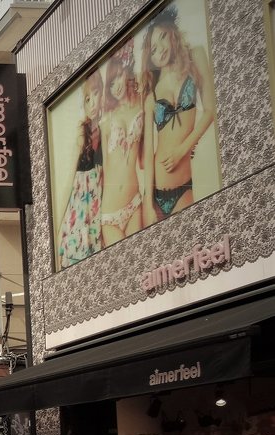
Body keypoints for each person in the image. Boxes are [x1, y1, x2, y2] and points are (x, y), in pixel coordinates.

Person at [141, 4, 216, 224]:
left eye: (162, 38)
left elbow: (210, 111)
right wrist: (147, 203)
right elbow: (147, 153)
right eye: (153, 48)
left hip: (184, 187)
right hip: (155, 194)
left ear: (172, 33)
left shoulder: (196, 56)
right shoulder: (151, 96)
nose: (160, 49)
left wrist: (182, 150)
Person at [57, 69, 104, 268]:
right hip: (80, 208)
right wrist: (59, 225)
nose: (92, 103)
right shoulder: (82, 131)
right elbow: (70, 179)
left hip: (100, 205)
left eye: (96, 94)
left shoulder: (107, 125)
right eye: (87, 99)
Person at [99, 45, 145, 244]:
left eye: (117, 78)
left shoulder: (143, 105)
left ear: (127, 73)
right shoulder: (106, 121)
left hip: (134, 202)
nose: (115, 86)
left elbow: (144, 156)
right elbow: (106, 168)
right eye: (110, 83)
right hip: (110, 214)